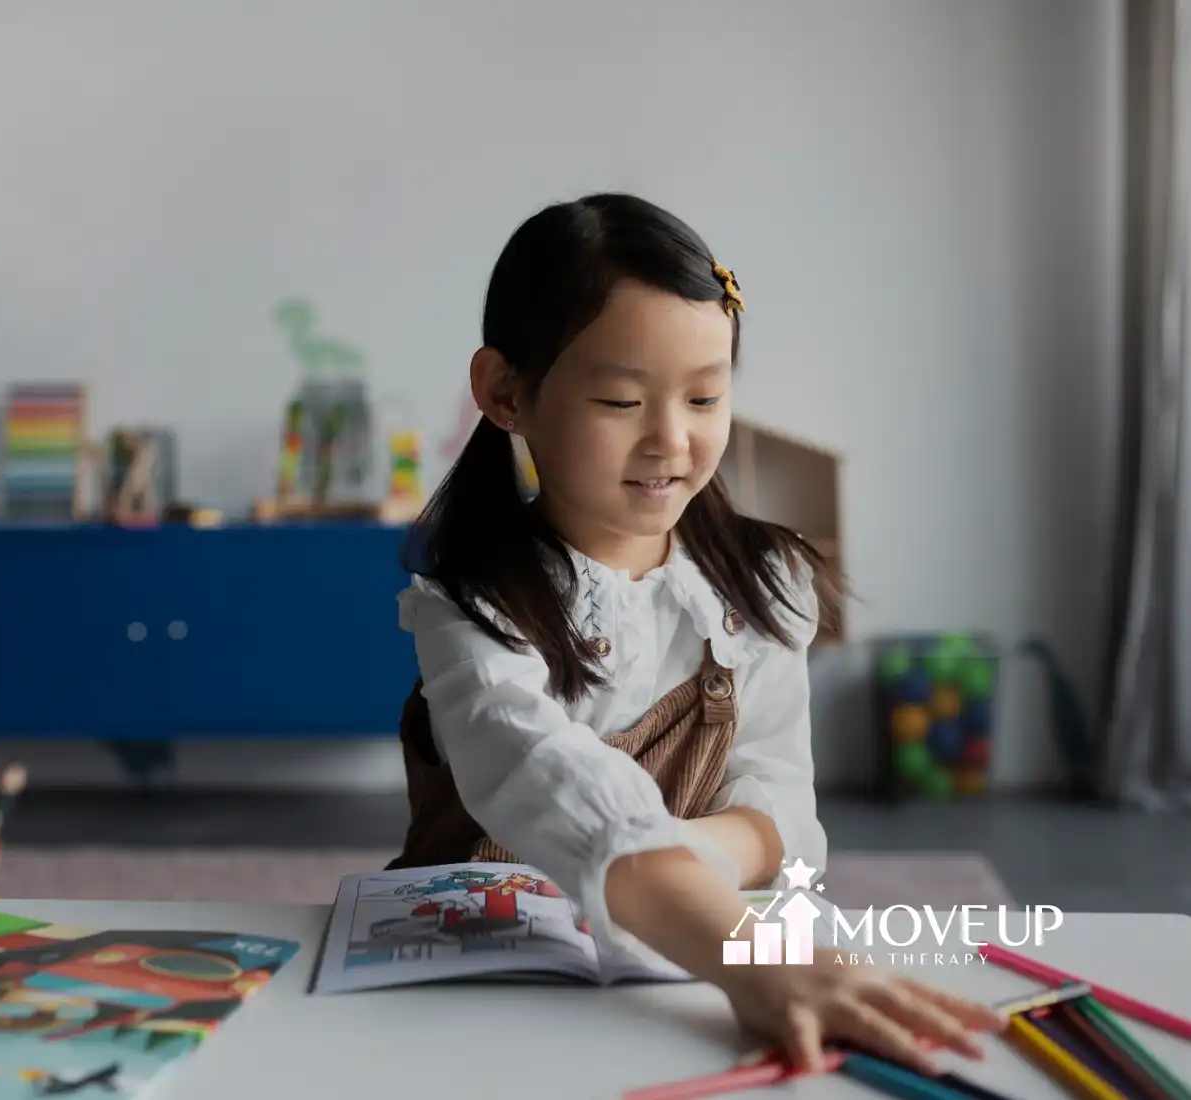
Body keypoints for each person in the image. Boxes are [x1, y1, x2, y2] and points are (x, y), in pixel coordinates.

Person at [388, 193, 1002, 1072]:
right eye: (620, 399)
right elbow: (542, 775)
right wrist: (749, 954)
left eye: (705, 396)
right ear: (506, 392)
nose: (670, 441)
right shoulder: (471, 605)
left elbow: (782, 805)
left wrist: (686, 863)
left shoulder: (758, 586)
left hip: (679, 965)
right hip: (474, 989)